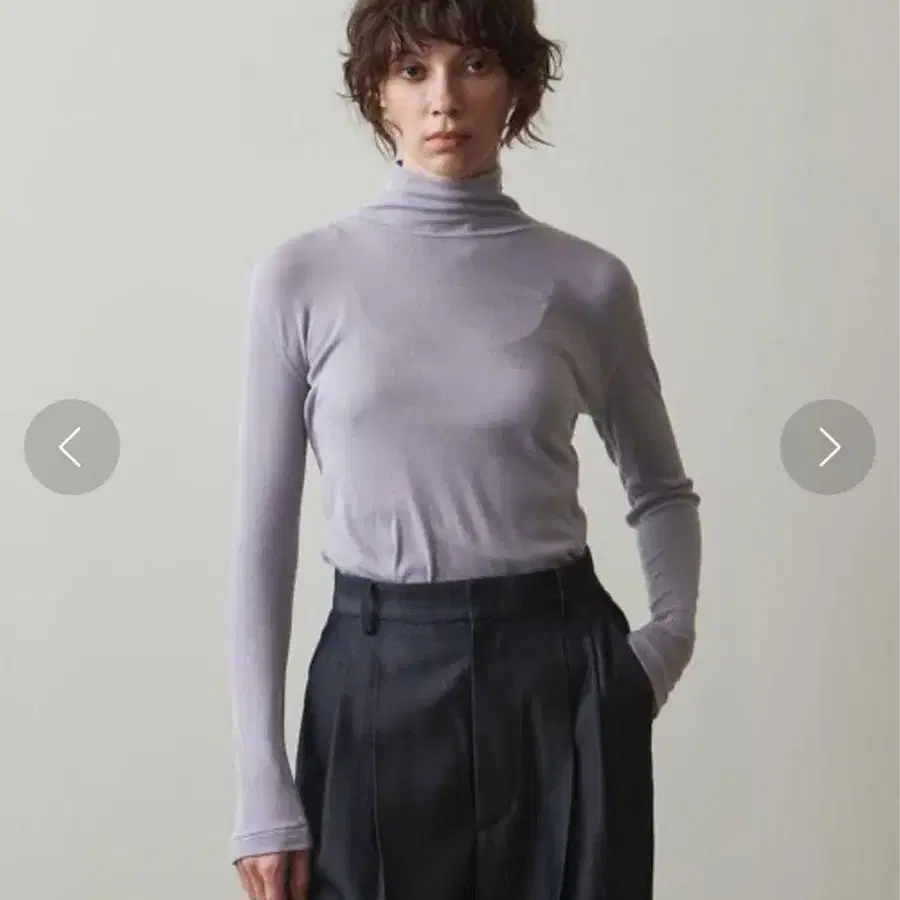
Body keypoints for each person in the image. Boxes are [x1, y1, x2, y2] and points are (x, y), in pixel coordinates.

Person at [227, 0, 702, 898]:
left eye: (475, 64)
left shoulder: (588, 282)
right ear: (377, 92)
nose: (444, 98)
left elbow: (661, 489)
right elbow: (262, 539)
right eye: (413, 70)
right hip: (376, 676)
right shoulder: (300, 278)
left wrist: (664, 644)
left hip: (562, 675)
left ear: (517, 85)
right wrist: (261, 782)